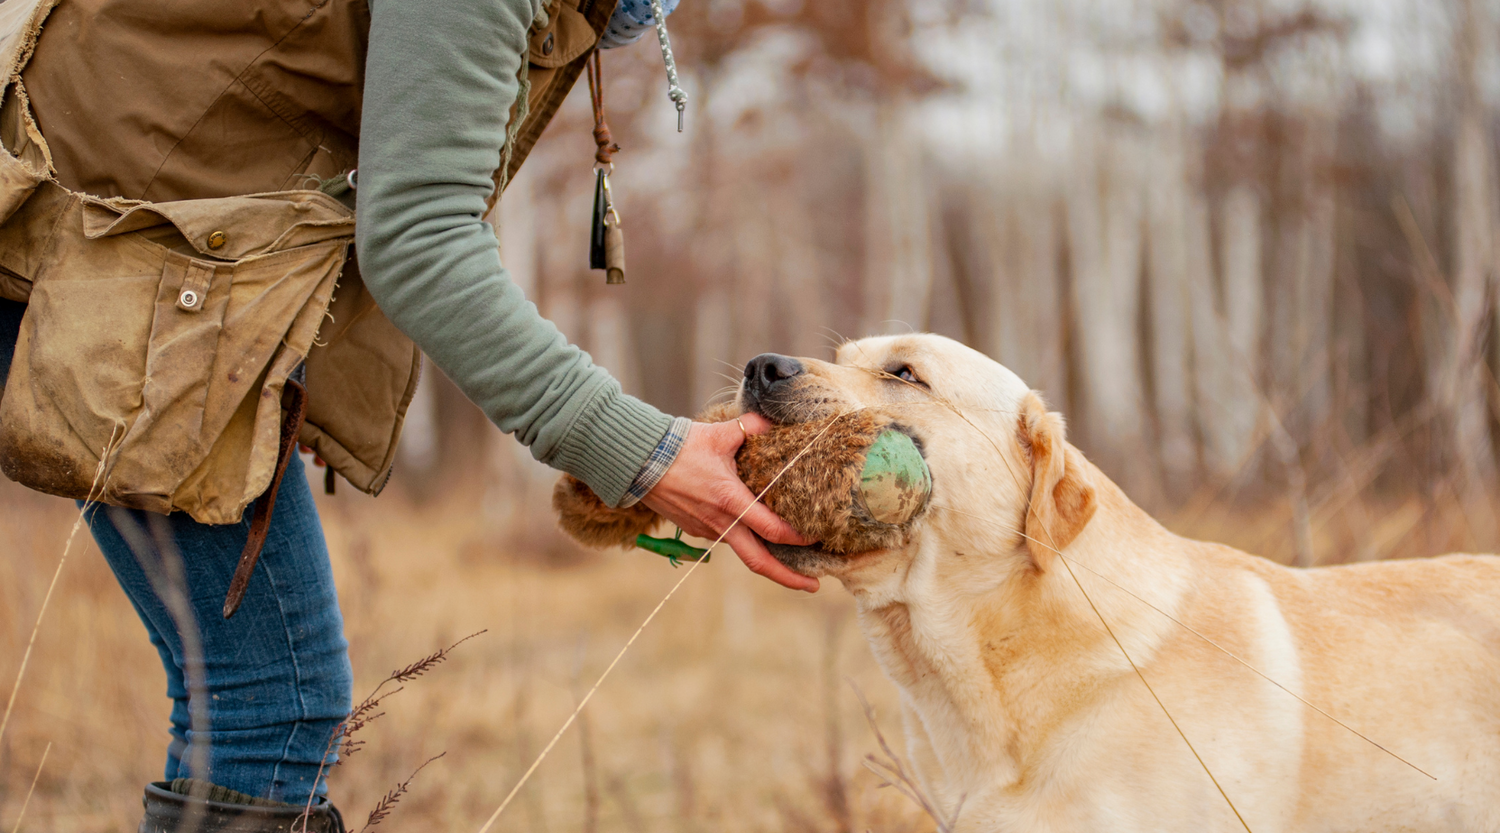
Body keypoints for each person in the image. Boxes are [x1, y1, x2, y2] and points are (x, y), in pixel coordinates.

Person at [0, 0, 814, 828]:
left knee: (268, 700)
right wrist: (647, 454)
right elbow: (418, 234)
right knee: (272, 705)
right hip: (82, 242)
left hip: (148, 251)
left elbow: (335, 153)